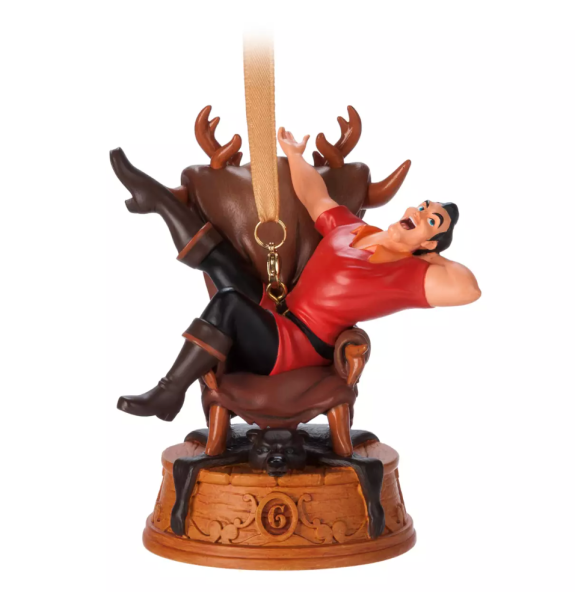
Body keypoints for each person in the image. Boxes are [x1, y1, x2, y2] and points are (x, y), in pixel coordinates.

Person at [110, 129, 481, 421]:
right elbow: (314, 195)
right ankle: (157, 198)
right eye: (424, 206)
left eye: (431, 221)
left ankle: (169, 392)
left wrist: (431, 257)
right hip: (278, 313)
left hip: (298, 347)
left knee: (228, 302)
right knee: (222, 261)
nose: (421, 212)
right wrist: (296, 155)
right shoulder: (351, 229)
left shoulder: (410, 275)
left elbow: (469, 289)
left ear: (429, 243)